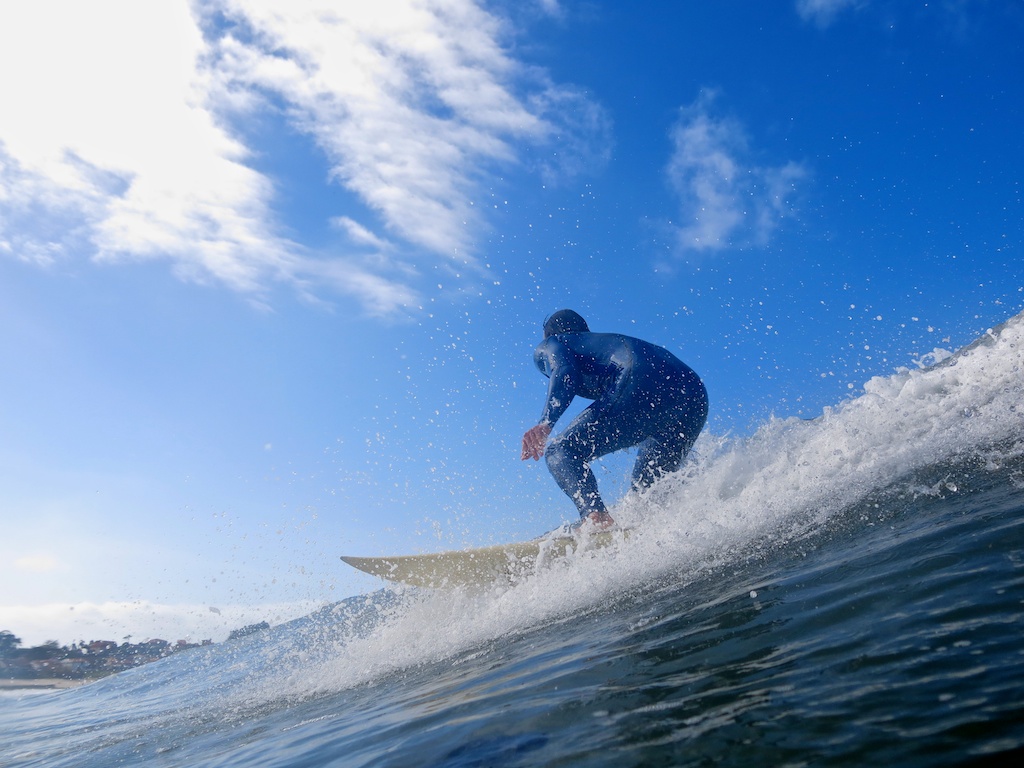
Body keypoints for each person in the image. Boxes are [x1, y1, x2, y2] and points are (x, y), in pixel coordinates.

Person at [521, 309, 708, 529]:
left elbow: (564, 370)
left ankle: (596, 518)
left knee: (561, 451)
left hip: (640, 378)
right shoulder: (602, 343)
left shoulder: (552, 343)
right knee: (647, 493)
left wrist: (546, 422)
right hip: (694, 394)